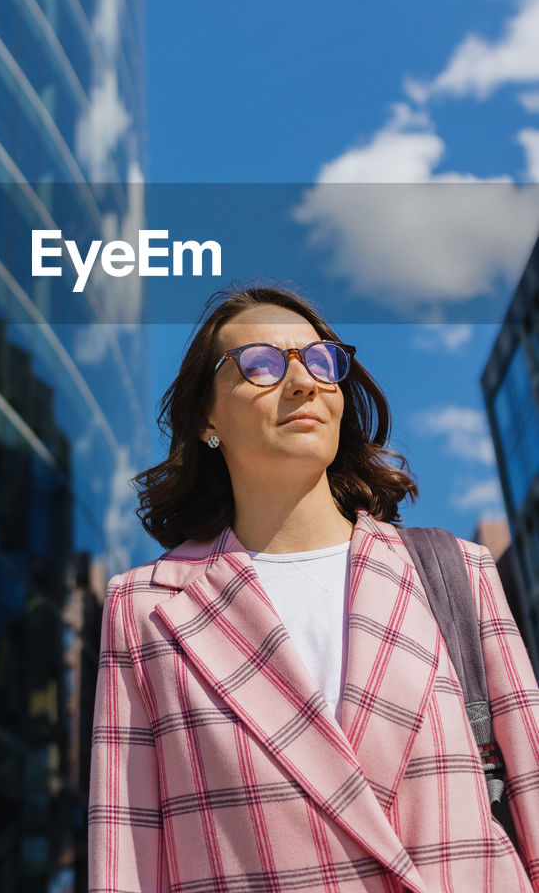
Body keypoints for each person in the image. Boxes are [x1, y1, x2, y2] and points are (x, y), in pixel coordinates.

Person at [88, 284, 539, 892]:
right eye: (262, 365)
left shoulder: (457, 571)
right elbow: (126, 857)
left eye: (321, 360)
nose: (303, 382)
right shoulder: (146, 609)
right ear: (206, 420)